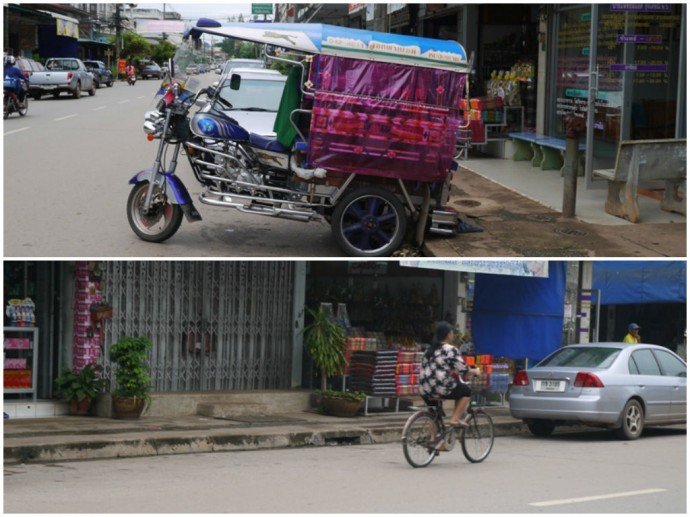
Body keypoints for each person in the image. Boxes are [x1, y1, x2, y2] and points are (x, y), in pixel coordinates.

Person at [419, 321, 480, 427]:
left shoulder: (429, 350)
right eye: (452, 333)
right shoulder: (450, 349)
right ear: (448, 334)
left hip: (424, 388)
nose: (453, 335)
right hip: (439, 387)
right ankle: (455, 419)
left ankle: (434, 441)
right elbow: (463, 369)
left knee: (434, 416)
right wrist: (475, 371)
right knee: (466, 391)